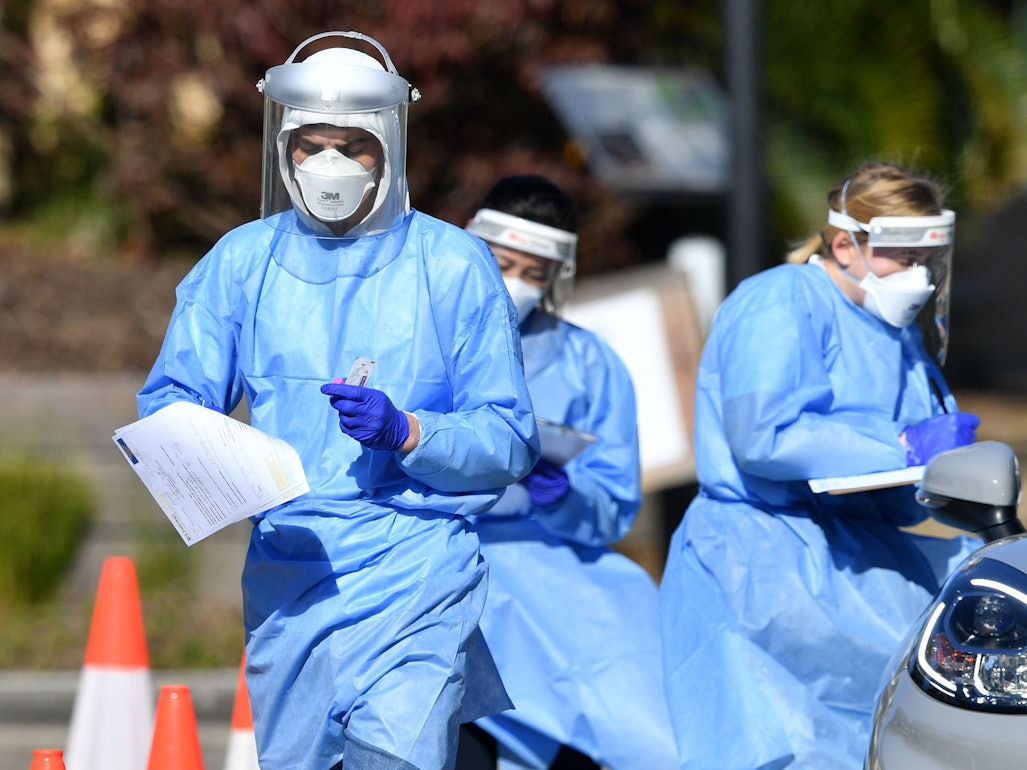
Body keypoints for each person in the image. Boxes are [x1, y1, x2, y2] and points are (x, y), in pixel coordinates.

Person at [137, 32, 540, 770]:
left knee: (398, 756)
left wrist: (409, 431)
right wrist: (223, 462)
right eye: (310, 145)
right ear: (282, 148)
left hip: (416, 567)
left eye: (352, 146)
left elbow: (508, 437)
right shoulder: (242, 261)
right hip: (293, 573)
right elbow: (174, 404)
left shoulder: (452, 264)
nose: (329, 165)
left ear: (388, 147)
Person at [659, 161, 982, 770]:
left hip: (858, 561)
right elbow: (764, 437)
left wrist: (937, 469)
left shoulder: (901, 339)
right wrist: (901, 448)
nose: (916, 276)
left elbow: (896, 496)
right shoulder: (779, 300)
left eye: (924, 260)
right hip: (759, 563)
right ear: (843, 244)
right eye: (902, 257)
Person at [454, 175, 679, 770]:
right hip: (436, 555)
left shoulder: (589, 363)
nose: (516, 284)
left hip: (550, 571)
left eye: (535, 273)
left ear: (558, 276)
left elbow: (613, 505)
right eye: (502, 264)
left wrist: (563, 494)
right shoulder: (418, 341)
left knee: (627, 681)